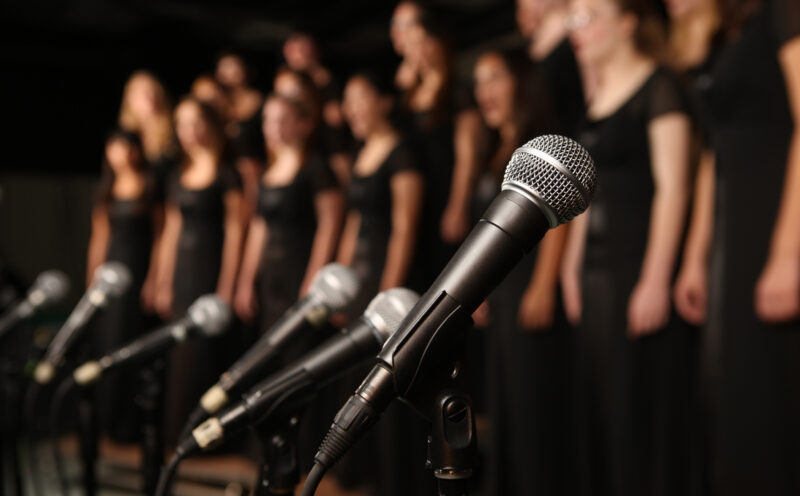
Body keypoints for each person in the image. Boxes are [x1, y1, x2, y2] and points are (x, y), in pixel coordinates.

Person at [560, 0, 695, 494]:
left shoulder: (659, 86)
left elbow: (674, 188)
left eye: (590, 15)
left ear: (628, 21)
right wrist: (571, 270)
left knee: (640, 406)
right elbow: (585, 198)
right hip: (595, 275)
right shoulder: (595, 100)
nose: (579, 28)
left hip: (637, 267)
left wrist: (656, 279)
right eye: (572, 19)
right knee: (602, 407)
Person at [672, 0, 800, 494]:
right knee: (733, 392)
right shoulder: (723, 35)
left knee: (770, 385)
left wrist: (788, 253)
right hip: (732, 232)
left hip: (774, 220)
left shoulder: (782, 12)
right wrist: (694, 258)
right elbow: (713, 155)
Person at [469, 47, 570, 496]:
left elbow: (560, 221)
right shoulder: (493, 147)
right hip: (504, 290)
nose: (483, 91)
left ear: (520, 83)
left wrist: (545, 284)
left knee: (534, 403)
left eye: (493, 77)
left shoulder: (540, 142)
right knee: (505, 400)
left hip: (532, 285)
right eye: (477, 82)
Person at [334, 71, 428, 496]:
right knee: (355, 373)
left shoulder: (403, 152)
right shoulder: (360, 150)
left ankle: (394, 477)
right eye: (347, 101)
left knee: (387, 376)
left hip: (390, 279)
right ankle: (360, 470)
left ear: (384, 101)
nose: (352, 109)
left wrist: (386, 295)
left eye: (360, 98)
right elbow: (355, 223)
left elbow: (404, 227)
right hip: (362, 276)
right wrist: (346, 280)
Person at [154, 97, 245, 447]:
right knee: (181, 356)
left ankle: (212, 441)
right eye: (182, 123)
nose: (189, 131)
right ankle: (180, 436)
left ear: (210, 124)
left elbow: (237, 230)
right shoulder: (178, 172)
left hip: (211, 269)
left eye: (195, 122)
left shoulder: (227, 171)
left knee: (207, 355)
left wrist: (227, 285)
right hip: (183, 273)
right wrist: (162, 280)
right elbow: (172, 231)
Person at [234, 94, 343, 331]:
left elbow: (329, 226)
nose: (274, 128)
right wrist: (246, 280)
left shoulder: (316, 168)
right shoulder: (267, 172)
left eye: (282, 120)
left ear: (303, 124)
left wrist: (313, 281)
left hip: (300, 269)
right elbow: (259, 227)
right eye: (269, 121)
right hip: (272, 276)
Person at [86, 129, 161, 443]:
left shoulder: (149, 185)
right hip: (112, 273)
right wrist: (93, 281)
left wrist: (156, 278)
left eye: (127, 147)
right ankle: (106, 421)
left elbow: (160, 235)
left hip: (139, 270)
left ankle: (129, 426)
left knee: (132, 342)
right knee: (107, 342)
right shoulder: (106, 189)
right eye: (115, 147)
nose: (122, 153)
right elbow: (99, 238)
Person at [118, 71, 178, 194]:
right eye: (143, 94)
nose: (150, 98)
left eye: (154, 93)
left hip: (167, 197)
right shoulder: (125, 136)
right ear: (130, 100)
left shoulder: (174, 132)